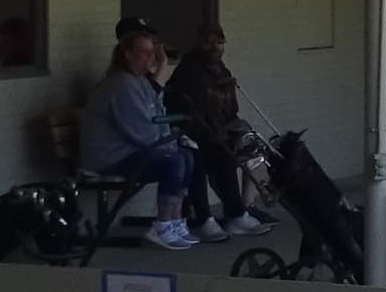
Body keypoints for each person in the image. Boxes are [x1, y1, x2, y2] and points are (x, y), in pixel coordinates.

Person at [81, 28, 234, 248]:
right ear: (127, 55)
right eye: (144, 53)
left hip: (129, 151)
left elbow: (159, 116)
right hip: (107, 158)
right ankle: (161, 226)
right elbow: (141, 131)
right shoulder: (121, 84)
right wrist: (170, 146)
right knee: (173, 161)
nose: (151, 58)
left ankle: (175, 221)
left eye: (153, 53)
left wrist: (174, 141)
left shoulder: (140, 81)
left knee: (188, 155)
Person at [161, 23, 274, 239]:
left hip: (217, 135)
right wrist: (220, 133)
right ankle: (205, 219)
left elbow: (231, 111)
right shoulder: (190, 70)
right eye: (208, 42)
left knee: (244, 147)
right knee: (210, 156)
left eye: (219, 42)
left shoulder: (222, 70)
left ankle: (239, 213)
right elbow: (190, 115)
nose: (214, 47)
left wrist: (236, 128)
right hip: (191, 135)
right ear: (198, 43)